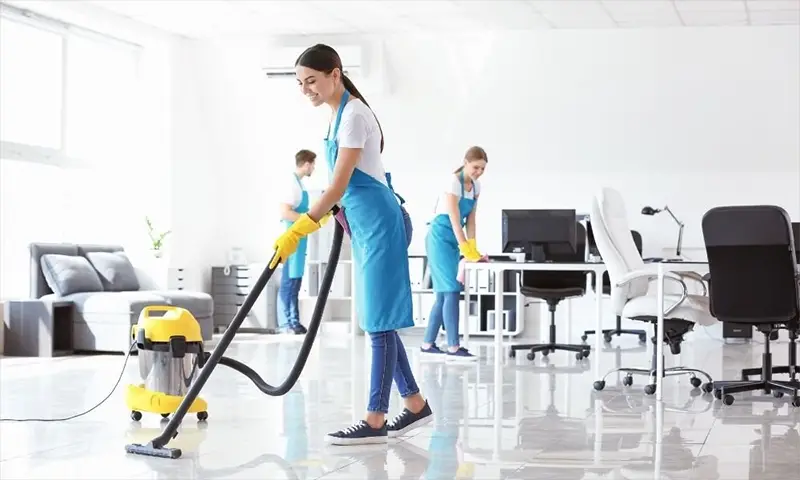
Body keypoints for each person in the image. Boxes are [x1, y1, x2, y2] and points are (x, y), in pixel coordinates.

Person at [269, 43, 432, 445]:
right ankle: (415, 405)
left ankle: (375, 419)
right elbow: (342, 186)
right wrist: (332, 213)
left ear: (335, 74)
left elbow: (340, 183)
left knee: (376, 323)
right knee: (380, 321)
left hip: (380, 223)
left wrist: (300, 227)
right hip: (364, 224)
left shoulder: (354, 115)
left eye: (312, 80)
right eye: (300, 83)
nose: (306, 89)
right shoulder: (336, 117)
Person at [420, 147, 488, 361]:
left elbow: (472, 220)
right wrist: (465, 248)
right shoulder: (453, 182)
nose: (478, 172)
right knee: (451, 289)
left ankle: (427, 343)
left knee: (442, 294)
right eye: (476, 167)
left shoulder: (476, 187)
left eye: (483, 169)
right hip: (440, 238)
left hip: (455, 239)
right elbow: (454, 219)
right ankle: (453, 346)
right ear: (466, 163)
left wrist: (473, 247)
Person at [277, 149, 317, 334]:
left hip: (300, 239)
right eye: (313, 164)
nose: (314, 168)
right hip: (292, 237)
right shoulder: (291, 184)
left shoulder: (299, 184)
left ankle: (294, 321)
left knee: (296, 281)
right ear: (307, 163)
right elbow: (285, 212)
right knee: (289, 281)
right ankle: (286, 323)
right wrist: (306, 219)